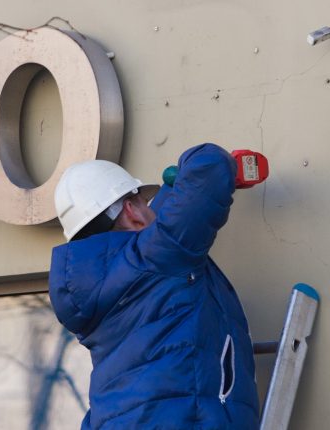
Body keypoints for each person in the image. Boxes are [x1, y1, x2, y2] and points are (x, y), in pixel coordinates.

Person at [49, 143, 260, 429]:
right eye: (141, 201)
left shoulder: (98, 282)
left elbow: (159, 237)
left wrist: (171, 192)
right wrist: (219, 169)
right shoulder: (158, 259)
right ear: (132, 212)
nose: (150, 208)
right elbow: (208, 167)